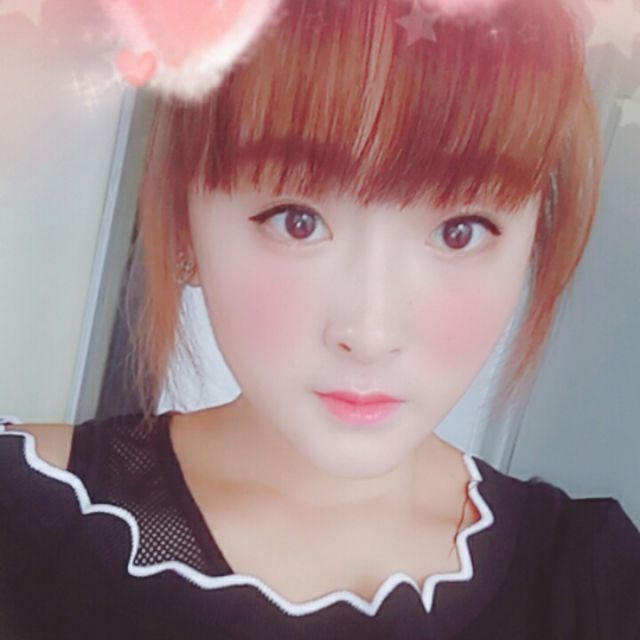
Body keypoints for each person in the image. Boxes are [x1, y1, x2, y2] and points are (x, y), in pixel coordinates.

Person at [1, 0, 639, 638]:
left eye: (460, 231)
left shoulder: (593, 582)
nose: (370, 333)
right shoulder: (25, 520)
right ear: (184, 223)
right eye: (297, 221)